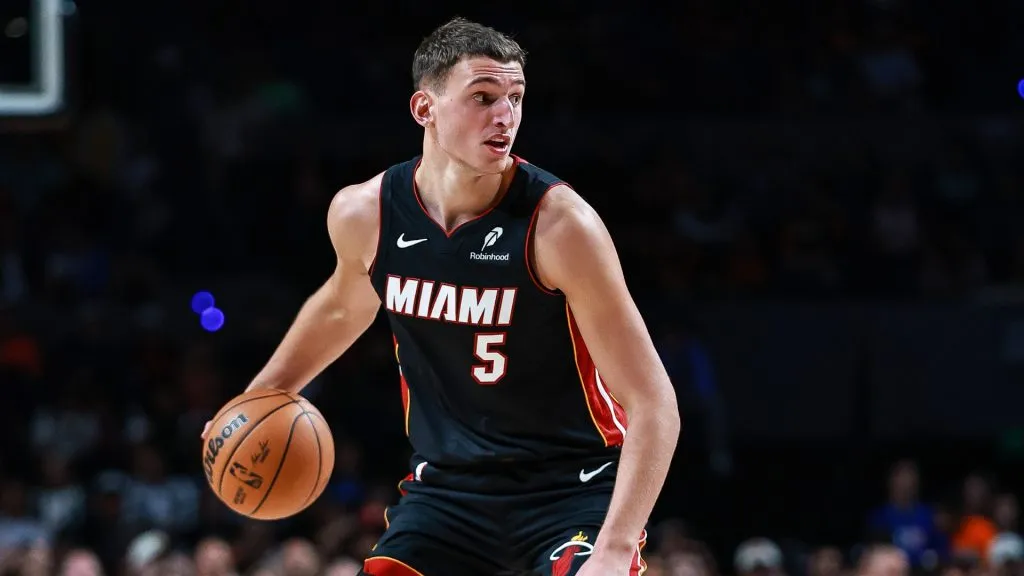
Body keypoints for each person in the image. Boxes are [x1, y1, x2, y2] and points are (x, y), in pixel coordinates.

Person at [206, 16, 680, 576]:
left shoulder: (561, 227)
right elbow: (342, 305)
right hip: (448, 493)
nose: (505, 115)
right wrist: (257, 397)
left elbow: (653, 404)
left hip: (569, 490)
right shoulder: (367, 212)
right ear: (424, 109)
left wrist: (616, 548)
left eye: (515, 97)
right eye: (482, 97)